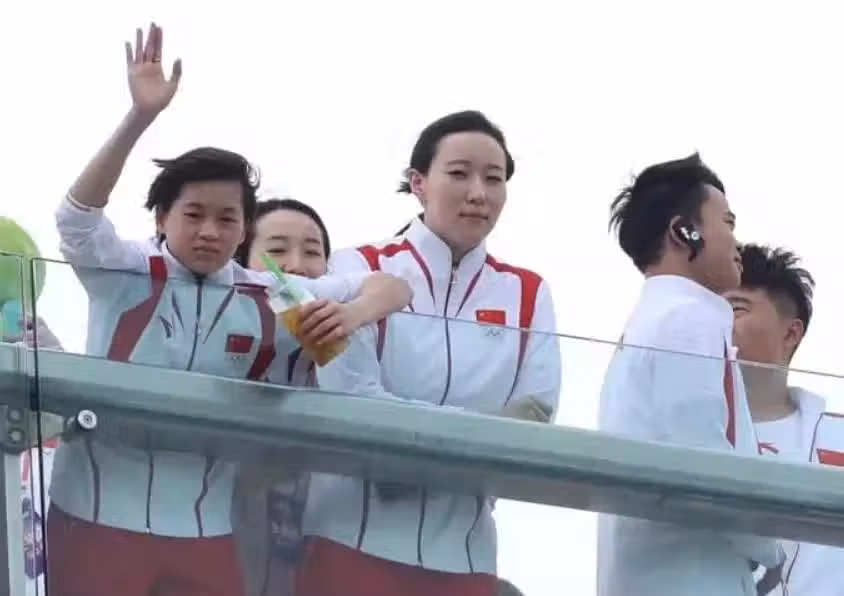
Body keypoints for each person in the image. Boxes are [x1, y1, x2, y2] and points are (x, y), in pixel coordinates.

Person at [48, 23, 411, 596]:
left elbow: (391, 286)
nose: (210, 231)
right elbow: (75, 220)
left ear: (244, 229)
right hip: (93, 514)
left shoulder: (270, 294)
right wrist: (139, 117)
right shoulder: (125, 272)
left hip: (205, 531)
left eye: (227, 218)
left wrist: (353, 314)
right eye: (193, 215)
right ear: (161, 218)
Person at [295, 110, 562, 596]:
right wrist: (473, 440)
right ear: (418, 183)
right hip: (348, 543)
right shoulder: (356, 267)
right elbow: (350, 402)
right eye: (459, 174)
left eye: (494, 178)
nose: (478, 193)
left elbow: (533, 418)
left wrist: (409, 449)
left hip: (466, 558)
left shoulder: (528, 292)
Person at [597, 153, 785, 596]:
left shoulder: (650, 322)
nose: (737, 241)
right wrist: (770, 547)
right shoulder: (686, 319)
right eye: (728, 222)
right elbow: (703, 463)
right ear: (684, 231)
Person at [232, 197, 333, 596]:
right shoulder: (215, 337)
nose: (296, 266)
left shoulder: (345, 357)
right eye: (276, 251)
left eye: (312, 252)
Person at [726, 243, 840, 596]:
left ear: (791, 333)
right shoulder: (678, 435)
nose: (717, 324)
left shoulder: (836, 439)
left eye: (736, 309)